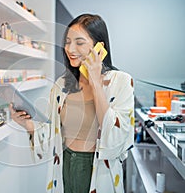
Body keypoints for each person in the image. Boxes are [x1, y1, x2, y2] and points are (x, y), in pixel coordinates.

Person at [10, 13, 135, 193]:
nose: (70, 49)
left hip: (98, 171)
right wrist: (27, 124)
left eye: (79, 42)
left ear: (99, 47)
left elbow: (117, 138)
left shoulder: (121, 82)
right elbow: (52, 135)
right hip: (65, 167)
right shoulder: (62, 86)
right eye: (67, 42)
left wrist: (96, 82)